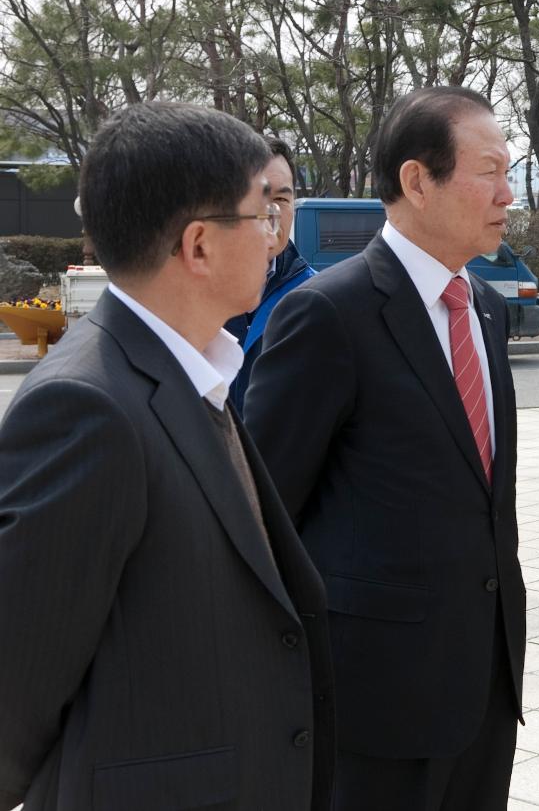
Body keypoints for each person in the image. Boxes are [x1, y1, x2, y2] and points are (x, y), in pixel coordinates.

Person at [0, 102, 335, 810]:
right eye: (261, 214)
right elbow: (15, 687)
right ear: (199, 245)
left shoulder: (194, 365)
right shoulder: (88, 409)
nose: (276, 238)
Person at [243, 86, 524, 811]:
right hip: (377, 701)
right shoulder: (328, 313)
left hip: (487, 684)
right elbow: (266, 513)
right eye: (490, 170)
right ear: (415, 180)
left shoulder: (484, 307)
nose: (509, 192)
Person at [225, 136, 315, 412]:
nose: (273, 213)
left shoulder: (316, 299)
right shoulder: (192, 299)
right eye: (259, 199)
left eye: (281, 199)